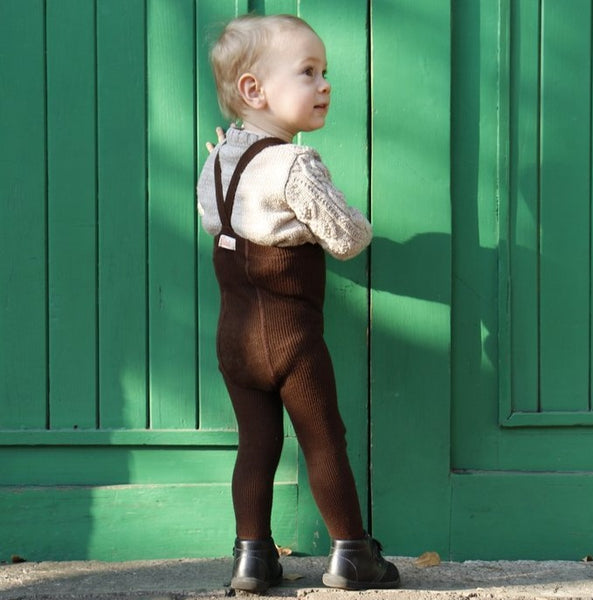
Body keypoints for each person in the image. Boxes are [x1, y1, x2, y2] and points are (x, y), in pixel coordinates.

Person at [196, 13, 400, 594]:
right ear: (254, 90)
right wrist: (331, 217)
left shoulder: (217, 159)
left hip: (234, 339)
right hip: (290, 340)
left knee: (256, 445)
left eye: (324, 71)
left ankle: (251, 558)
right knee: (323, 440)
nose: (325, 84)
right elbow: (347, 238)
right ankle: (352, 554)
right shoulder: (294, 164)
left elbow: (216, 222)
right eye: (308, 72)